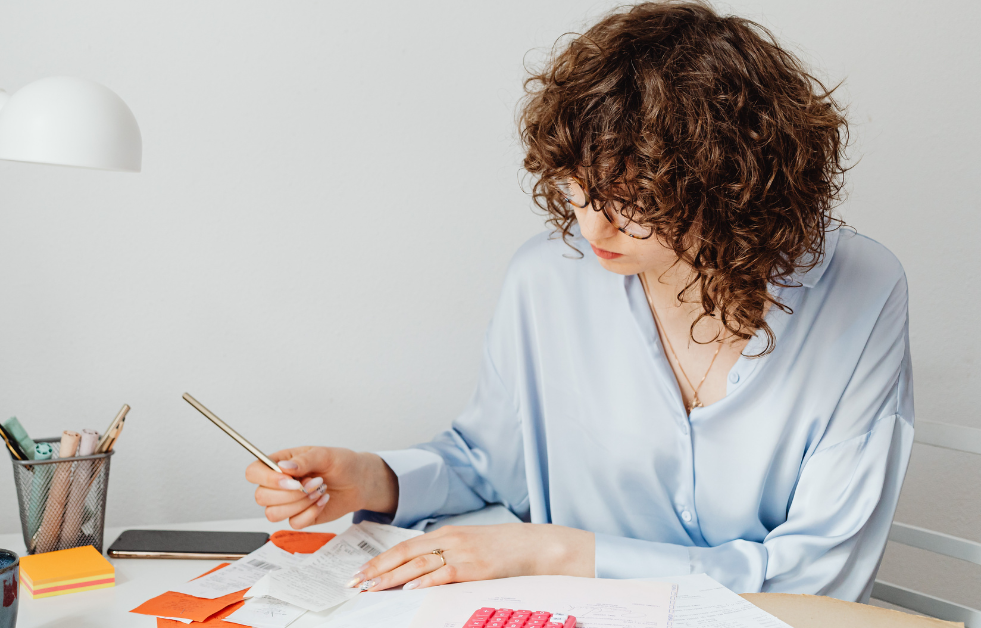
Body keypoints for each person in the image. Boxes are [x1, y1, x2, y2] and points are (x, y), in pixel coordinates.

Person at [245, 0, 913, 603]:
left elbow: (819, 577)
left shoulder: (861, 291)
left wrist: (558, 552)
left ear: (730, 184)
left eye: (636, 201)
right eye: (577, 189)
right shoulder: (547, 279)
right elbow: (493, 463)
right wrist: (376, 479)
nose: (594, 228)